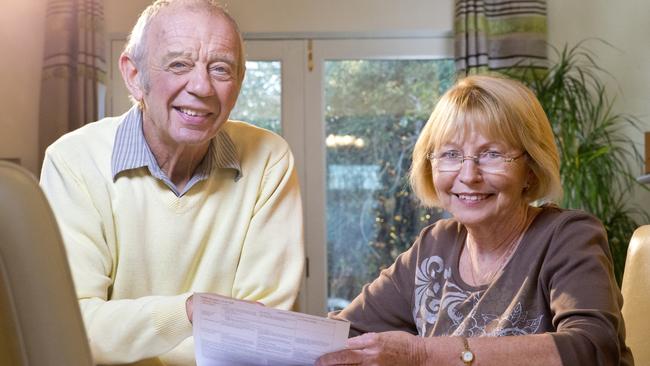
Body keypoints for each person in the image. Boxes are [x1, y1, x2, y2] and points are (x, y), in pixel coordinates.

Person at [39, 0, 304, 365]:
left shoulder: (269, 159)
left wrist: (125, 336)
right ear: (134, 75)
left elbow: (262, 336)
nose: (201, 87)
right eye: (179, 64)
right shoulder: (73, 160)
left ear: (240, 82)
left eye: (221, 69)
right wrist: (190, 311)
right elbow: (71, 328)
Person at [316, 75, 632, 366]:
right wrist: (270, 326)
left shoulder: (566, 236)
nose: (469, 176)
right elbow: (346, 333)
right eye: (451, 154)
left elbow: (592, 348)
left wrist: (422, 353)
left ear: (530, 169)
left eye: (492, 154)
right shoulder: (433, 246)